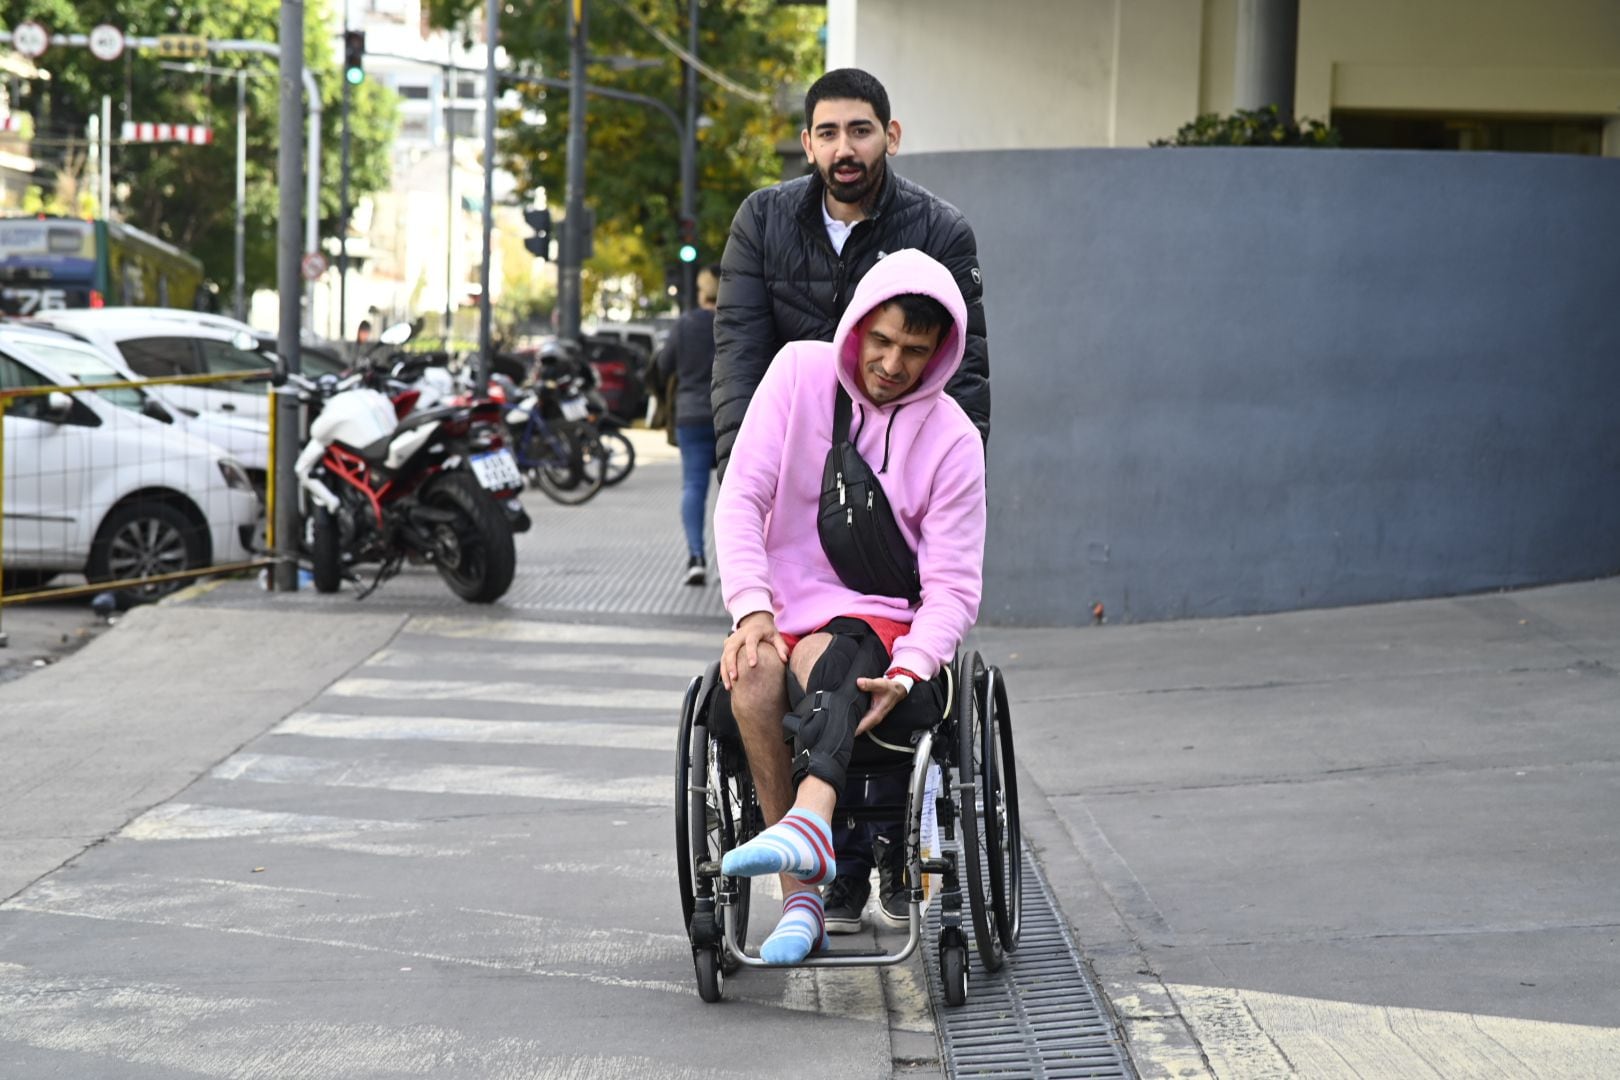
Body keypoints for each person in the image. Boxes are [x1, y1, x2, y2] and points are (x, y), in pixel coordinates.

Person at [712, 66, 992, 934]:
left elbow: (962, 371)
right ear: (808, 142)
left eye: (860, 131)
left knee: (836, 660)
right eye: (828, 133)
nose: (893, 360)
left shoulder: (937, 233)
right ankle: (802, 878)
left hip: (879, 584)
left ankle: (821, 842)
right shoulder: (771, 248)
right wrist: (749, 584)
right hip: (791, 540)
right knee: (754, 675)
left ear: (889, 135)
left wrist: (942, 461)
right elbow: (739, 361)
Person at [654, 265, 722, 586]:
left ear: (701, 292)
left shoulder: (684, 325)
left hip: (691, 415)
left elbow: (663, 365)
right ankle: (738, 566)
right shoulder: (736, 322)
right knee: (737, 491)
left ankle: (696, 557)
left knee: (694, 487)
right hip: (730, 416)